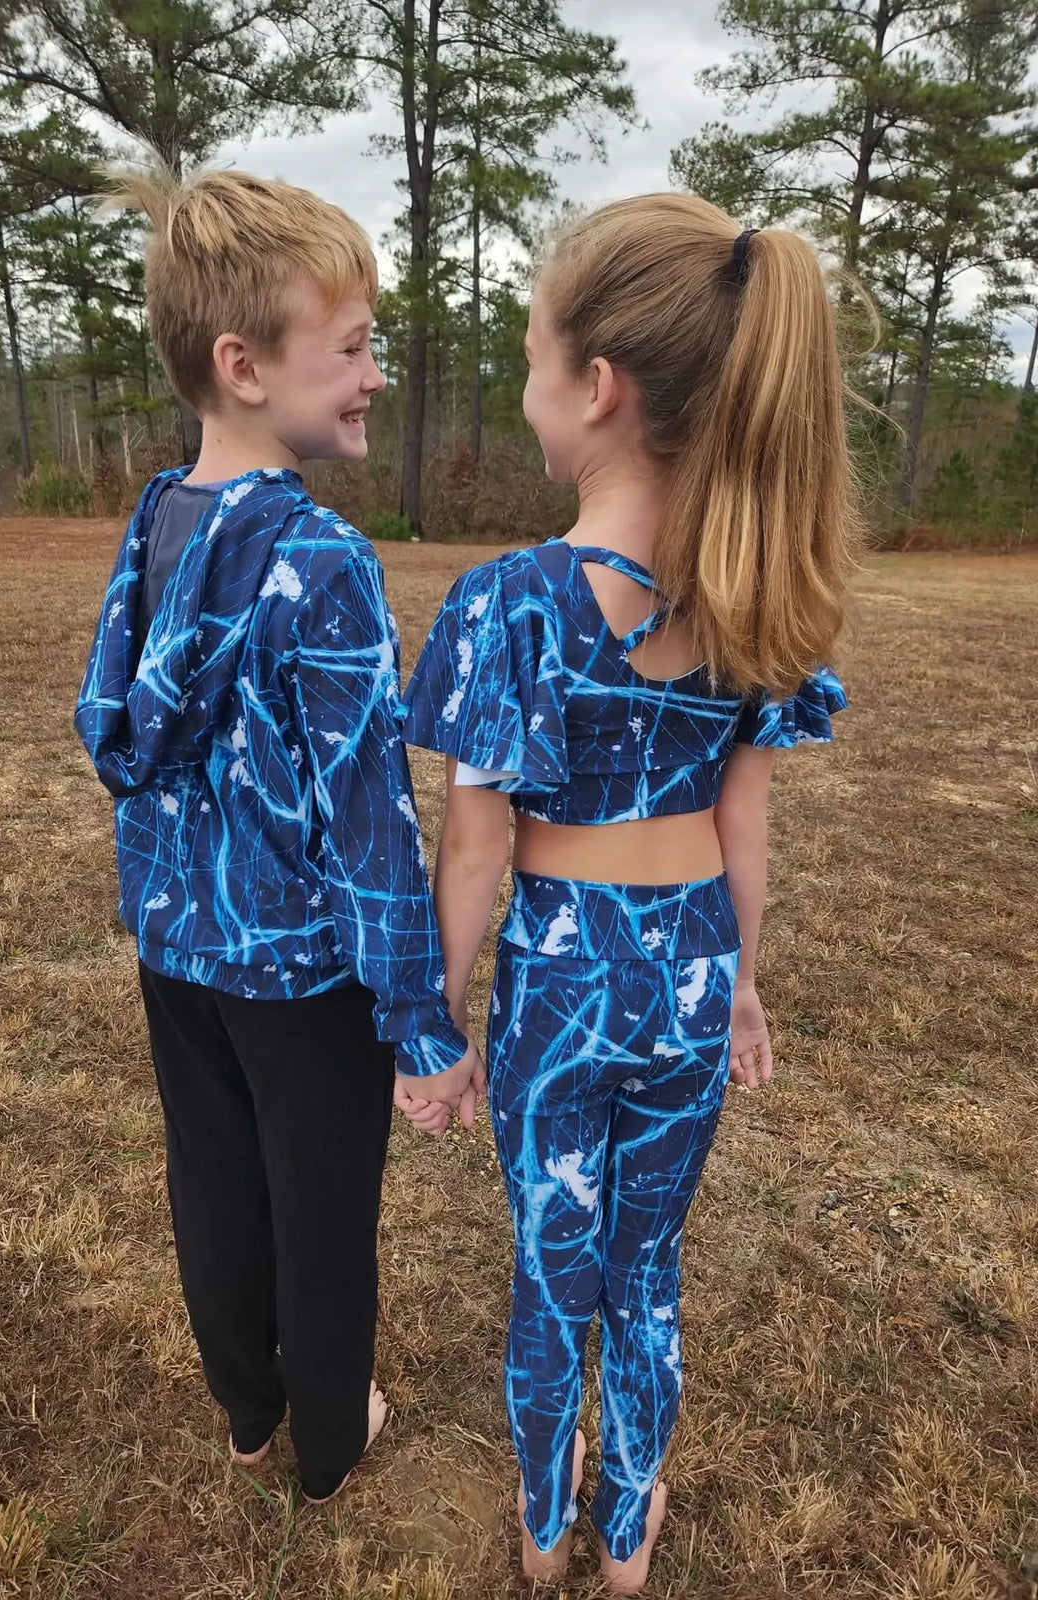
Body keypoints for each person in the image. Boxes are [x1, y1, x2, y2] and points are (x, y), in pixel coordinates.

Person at [400, 195, 858, 1593]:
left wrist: (439, 1020)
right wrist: (742, 984)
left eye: (533, 364)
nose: (528, 398)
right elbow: (745, 822)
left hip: (558, 969)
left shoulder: (511, 601)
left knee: (556, 1268)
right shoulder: (749, 593)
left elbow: (475, 845)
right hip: (691, 964)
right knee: (647, 1269)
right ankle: (626, 1532)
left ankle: (543, 1525)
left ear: (594, 389)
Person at [74, 165, 480, 1508]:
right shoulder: (326, 563)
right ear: (243, 364)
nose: (375, 376)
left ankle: (249, 1412)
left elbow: (117, 732)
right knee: (317, 1214)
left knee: (215, 1184)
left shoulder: (155, 520)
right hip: (303, 977)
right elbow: (369, 824)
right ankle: (326, 1435)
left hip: (178, 955)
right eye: (354, 348)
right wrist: (422, 1024)